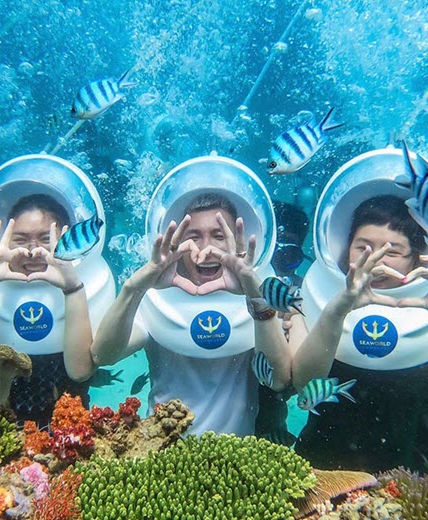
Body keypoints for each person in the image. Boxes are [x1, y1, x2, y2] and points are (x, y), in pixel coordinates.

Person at [290, 189, 428, 473]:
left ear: (417, 257)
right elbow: (304, 382)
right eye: (363, 247)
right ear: (345, 249)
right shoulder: (313, 296)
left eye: (393, 251)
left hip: (413, 472)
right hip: (323, 466)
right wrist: (337, 310)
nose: (377, 260)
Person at [91, 185, 292, 437]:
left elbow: (279, 379)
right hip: (161, 448)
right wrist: (135, 287)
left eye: (219, 236)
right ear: (178, 242)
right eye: (194, 237)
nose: (206, 249)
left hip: (238, 452)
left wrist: (255, 295)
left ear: (236, 240)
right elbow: (104, 355)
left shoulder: (262, 291)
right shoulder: (155, 295)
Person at [0, 193, 96, 425]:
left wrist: (72, 289)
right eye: (20, 240)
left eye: (46, 238)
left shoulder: (87, 288)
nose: (33, 251)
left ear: (67, 239)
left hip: (69, 432)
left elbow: (80, 371)